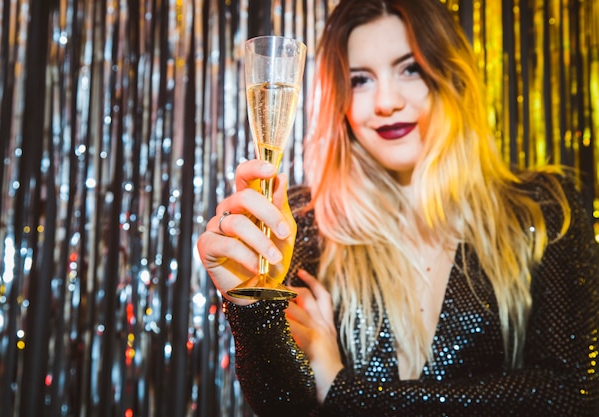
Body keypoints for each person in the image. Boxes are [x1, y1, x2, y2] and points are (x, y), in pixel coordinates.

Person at [196, 0, 599, 415]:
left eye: (410, 68)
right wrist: (249, 307)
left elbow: (571, 395)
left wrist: (341, 390)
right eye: (360, 80)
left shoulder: (543, 208)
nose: (385, 101)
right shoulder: (302, 222)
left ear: (451, 75)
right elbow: (285, 406)